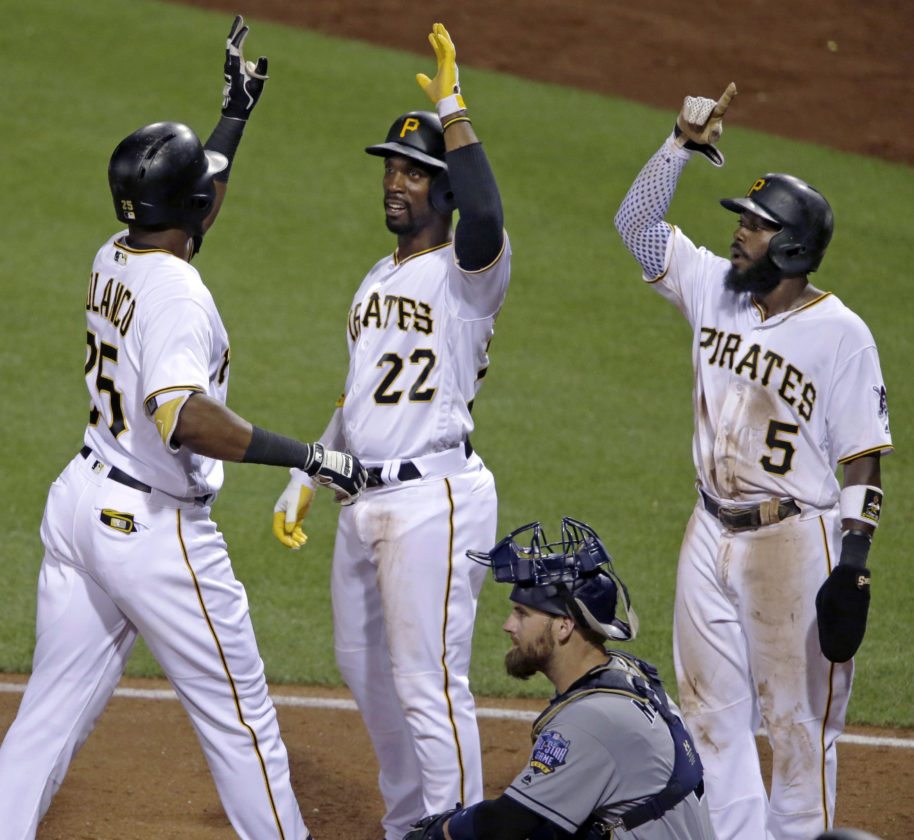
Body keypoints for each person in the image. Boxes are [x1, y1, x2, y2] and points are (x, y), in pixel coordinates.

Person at [0, 17, 366, 839]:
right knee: (244, 724)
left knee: (46, 720)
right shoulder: (178, 296)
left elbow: (191, 208)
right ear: (192, 204)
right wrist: (310, 456)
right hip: (155, 533)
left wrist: (233, 115)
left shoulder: (117, 250)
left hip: (79, 508)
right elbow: (185, 418)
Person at [613, 84, 893, 840]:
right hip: (708, 534)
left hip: (793, 545)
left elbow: (863, 458)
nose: (740, 231)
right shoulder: (714, 288)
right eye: (741, 219)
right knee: (710, 719)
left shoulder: (841, 335)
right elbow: (635, 225)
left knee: (799, 732)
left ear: (794, 246)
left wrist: (854, 563)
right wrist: (679, 144)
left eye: (758, 225)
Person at [272, 22, 510, 840]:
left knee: (428, 680)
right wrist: (304, 475)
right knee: (367, 671)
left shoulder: (469, 273)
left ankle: (458, 829)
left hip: (433, 500)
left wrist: (451, 107)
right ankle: (412, 822)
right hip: (361, 503)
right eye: (393, 168)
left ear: (443, 193)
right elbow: (355, 399)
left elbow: (486, 205)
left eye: (416, 173)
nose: (397, 182)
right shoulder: (377, 277)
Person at [403, 517, 714, 840]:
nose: (508, 625)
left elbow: (505, 823)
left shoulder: (591, 721)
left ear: (564, 626)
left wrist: (443, 831)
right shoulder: (625, 672)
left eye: (522, 614)